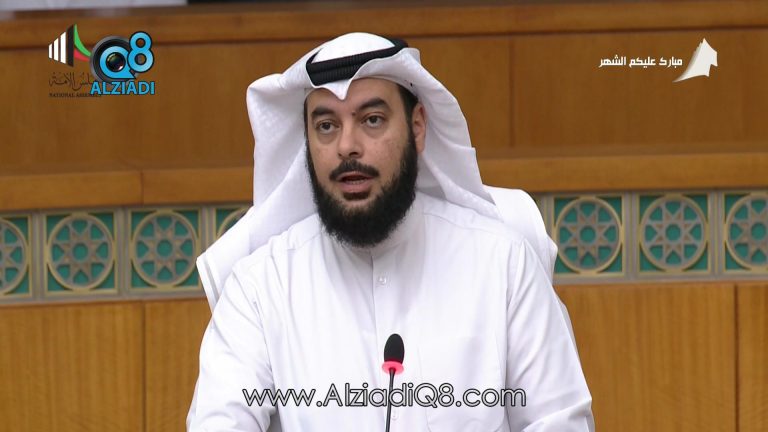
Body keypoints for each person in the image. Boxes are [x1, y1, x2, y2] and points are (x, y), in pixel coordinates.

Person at [187, 32, 594, 431]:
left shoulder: (502, 262)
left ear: (417, 127)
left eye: (372, 120)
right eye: (326, 126)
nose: (347, 146)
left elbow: (560, 421)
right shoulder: (261, 286)